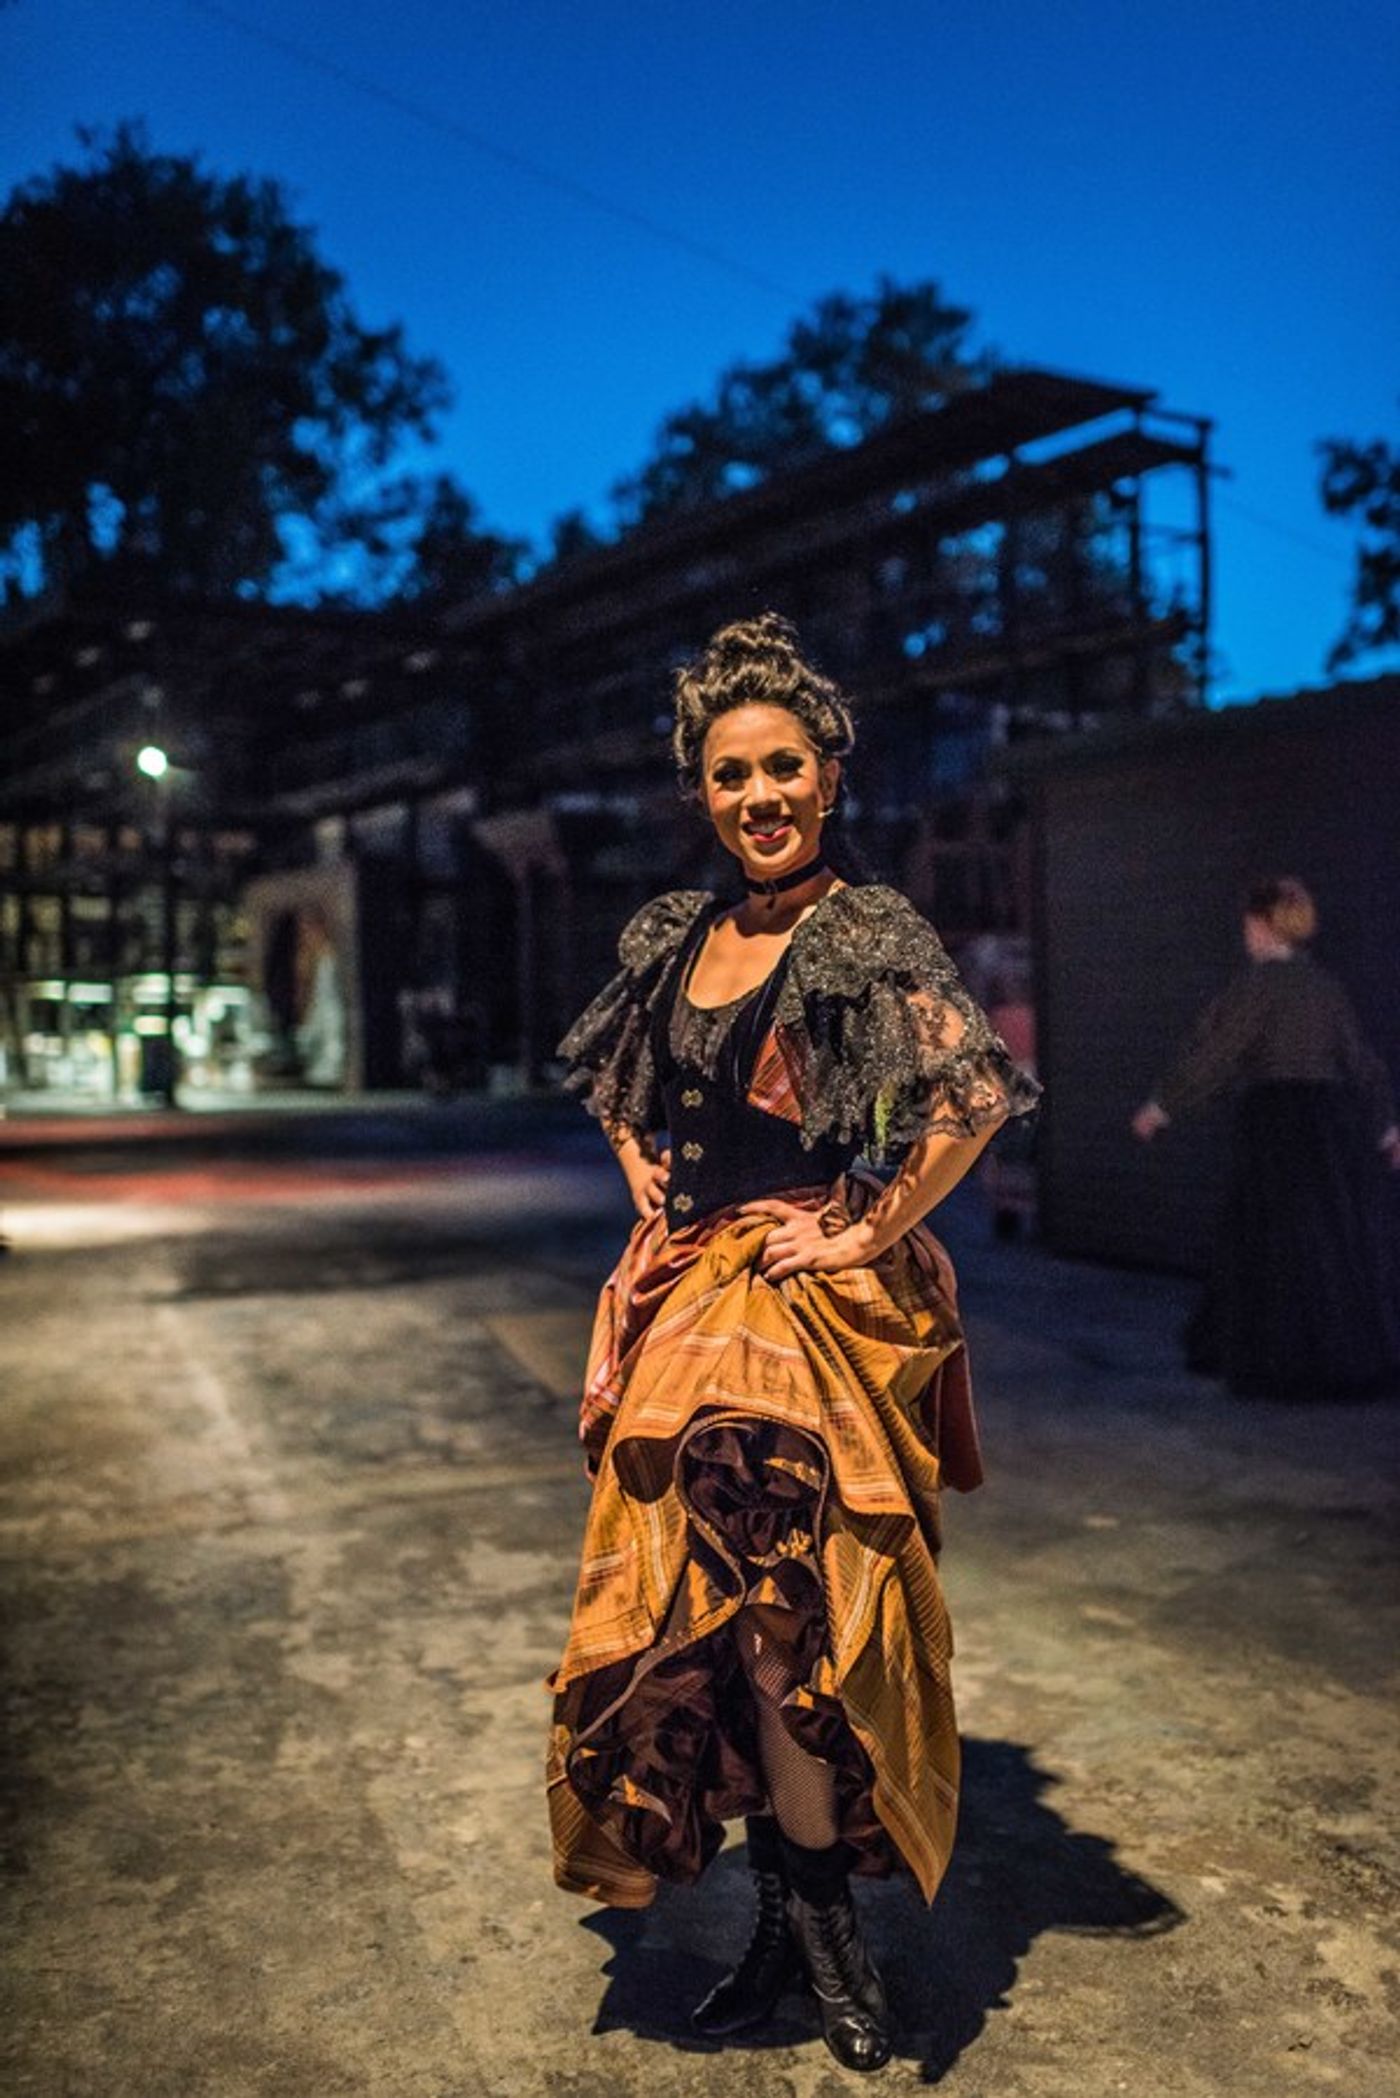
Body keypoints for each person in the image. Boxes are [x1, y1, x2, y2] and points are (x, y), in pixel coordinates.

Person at [547, 613, 1040, 2072]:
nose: (756, 795)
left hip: (794, 1313)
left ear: (829, 777)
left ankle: (823, 1926)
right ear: (701, 790)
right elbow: (619, 1078)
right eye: (728, 773)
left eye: (781, 768)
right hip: (684, 1304)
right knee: (703, 1630)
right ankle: (782, 1917)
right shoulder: (679, 934)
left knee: (791, 1627)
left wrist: (868, 1228)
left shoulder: (866, 930)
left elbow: (971, 1097)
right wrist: (639, 1157)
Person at [1132, 876, 1400, 1399]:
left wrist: (1162, 1106)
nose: (1245, 934)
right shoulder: (1325, 986)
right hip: (1325, 1129)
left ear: (1262, 924)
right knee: (1327, 1244)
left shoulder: (1257, 988)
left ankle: (1279, 1361)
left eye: (1249, 924)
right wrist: (1388, 1123)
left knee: (1268, 1243)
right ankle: (1337, 1359)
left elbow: (1218, 1054)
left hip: (1275, 1126)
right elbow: (1361, 1062)